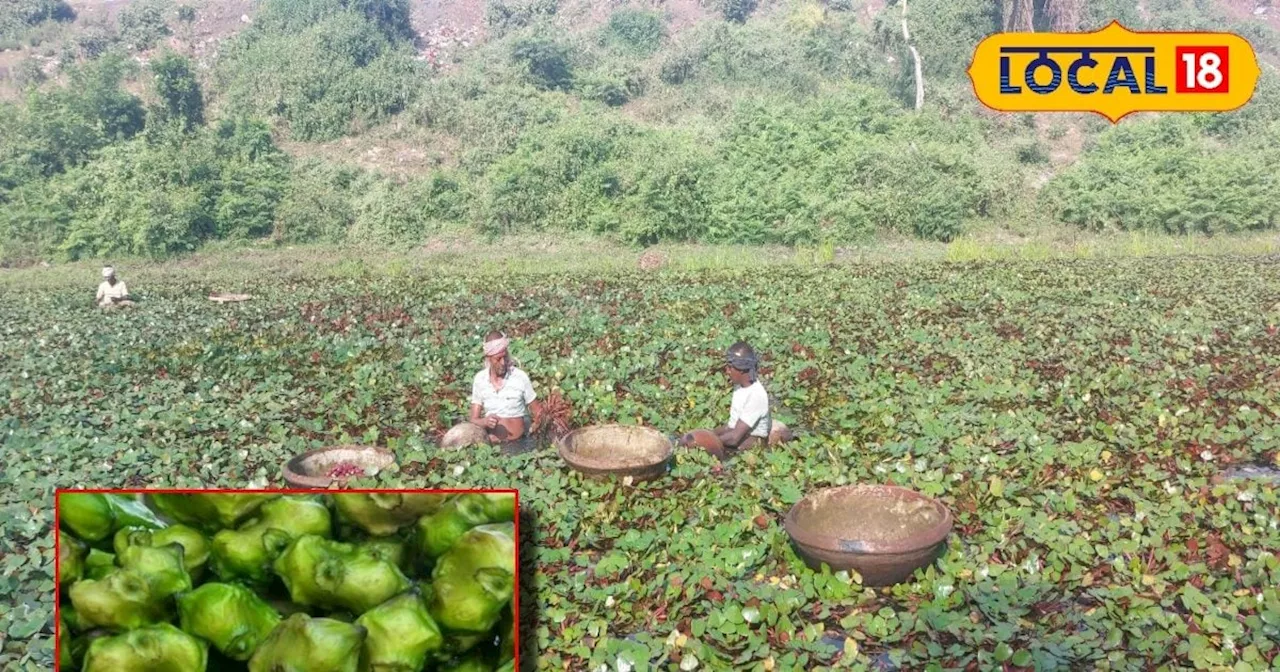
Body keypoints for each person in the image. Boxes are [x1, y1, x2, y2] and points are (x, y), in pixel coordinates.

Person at [678, 341, 773, 460]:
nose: (727, 371)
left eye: (730, 367)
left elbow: (734, 438)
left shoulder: (756, 395)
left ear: (742, 369)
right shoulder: (739, 387)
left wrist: (703, 443)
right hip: (736, 443)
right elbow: (730, 427)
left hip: (748, 452)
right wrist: (707, 434)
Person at [468, 331, 538, 454]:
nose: (503, 362)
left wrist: (533, 430)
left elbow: (539, 412)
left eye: (505, 357)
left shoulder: (520, 377)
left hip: (519, 445)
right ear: (488, 358)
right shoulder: (480, 380)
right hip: (493, 447)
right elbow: (473, 420)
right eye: (498, 359)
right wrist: (484, 422)